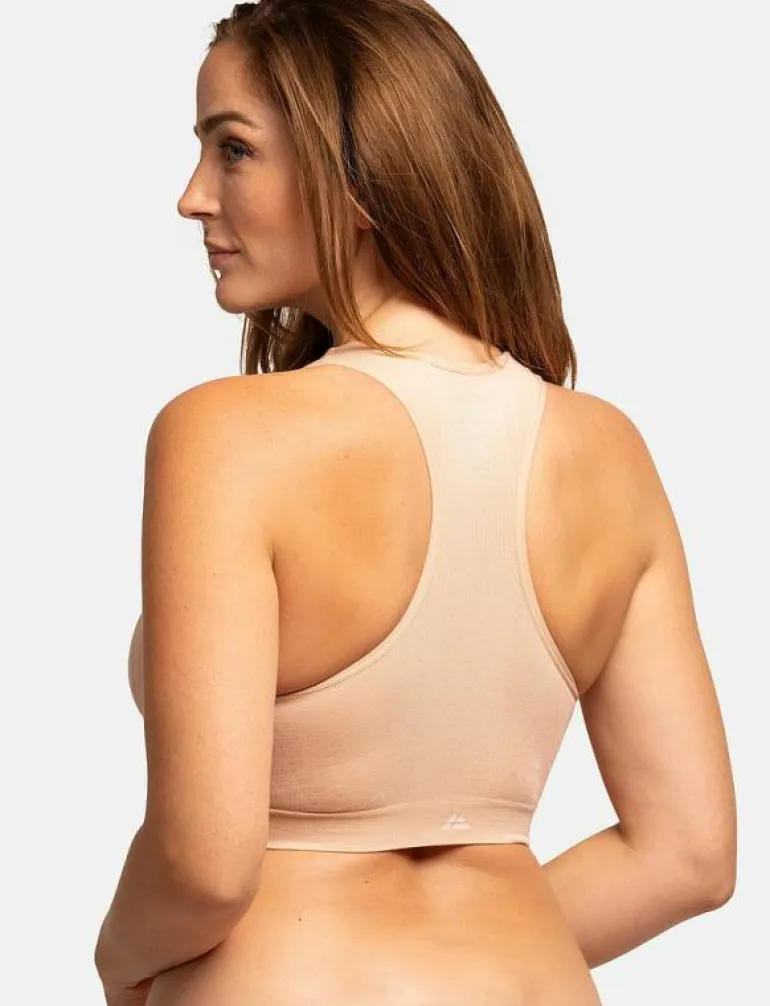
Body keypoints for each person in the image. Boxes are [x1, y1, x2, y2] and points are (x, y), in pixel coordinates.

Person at [94, 2, 737, 1004]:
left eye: (233, 149)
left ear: (357, 178)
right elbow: (688, 853)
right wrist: (465, 954)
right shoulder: (607, 452)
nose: (193, 197)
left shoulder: (227, 437)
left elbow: (204, 864)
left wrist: (119, 963)